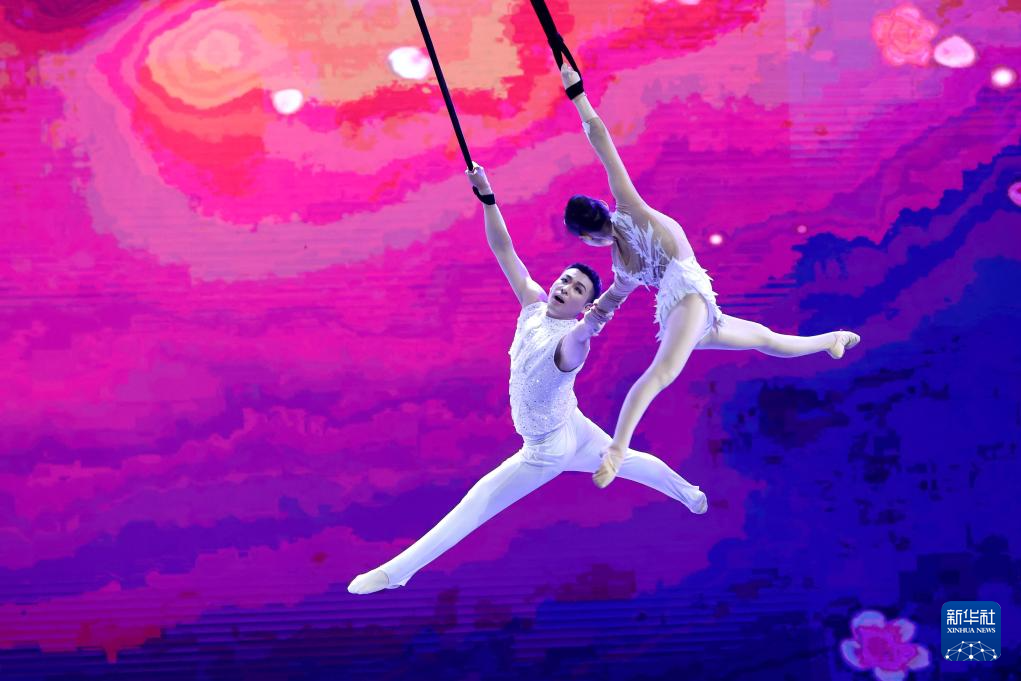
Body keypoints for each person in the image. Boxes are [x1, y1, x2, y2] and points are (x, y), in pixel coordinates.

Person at [347, 165, 707, 595]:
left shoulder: (572, 340)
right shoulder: (533, 304)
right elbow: (504, 250)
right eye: (565, 280)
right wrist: (487, 197)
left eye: (577, 289)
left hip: (546, 449)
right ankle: (690, 494)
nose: (565, 287)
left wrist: (594, 321)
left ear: (583, 306)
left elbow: (582, 336)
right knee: (627, 458)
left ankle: (396, 573)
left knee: (479, 501)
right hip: (571, 423)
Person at [556, 65, 861, 488]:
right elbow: (612, 298)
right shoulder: (623, 256)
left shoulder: (630, 212)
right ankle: (833, 339)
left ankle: (616, 450)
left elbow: (603, 144)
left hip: (690, 299)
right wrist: (578, 97)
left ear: (586, 237)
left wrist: (578, 95)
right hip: (687, 305)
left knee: (686, 366)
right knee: (743, 346)